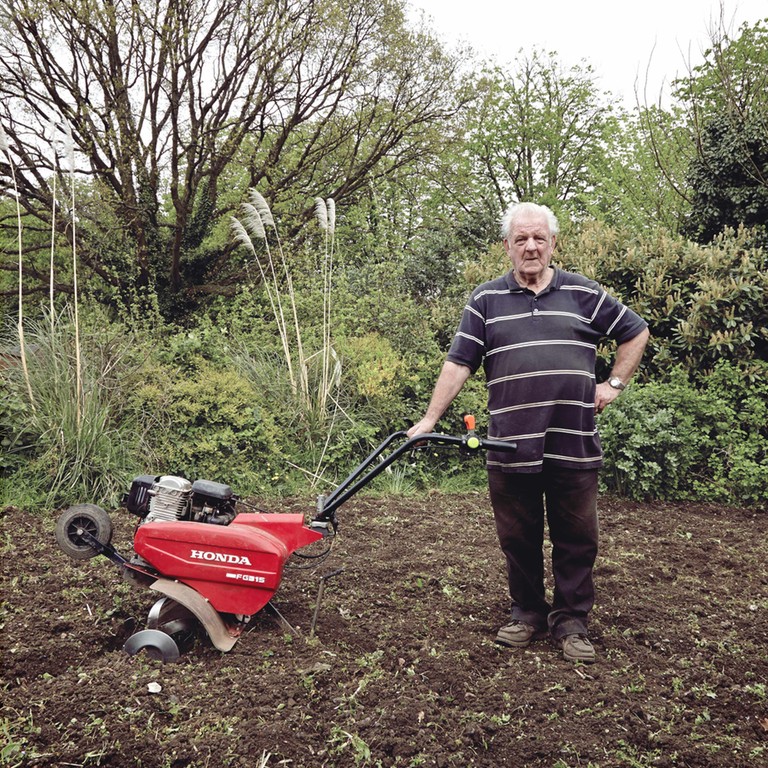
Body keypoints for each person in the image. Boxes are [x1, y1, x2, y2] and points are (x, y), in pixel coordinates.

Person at [407, 202, 649, 663]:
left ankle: (572, 621)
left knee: (577, 536)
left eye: (539, 238)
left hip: (572, 440)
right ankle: (526, 614)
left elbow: (635, 332)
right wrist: (430, 420)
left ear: (553, 243)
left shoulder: (585, 294)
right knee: (517, 536)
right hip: (511, 441)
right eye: (521, 239)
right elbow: (459, 363)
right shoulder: (485, 301)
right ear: (507, 247)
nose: (531, 246)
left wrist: (613, 384)